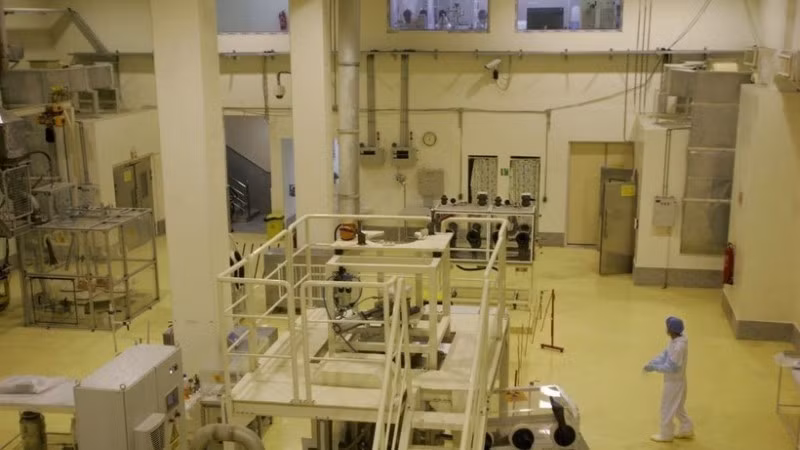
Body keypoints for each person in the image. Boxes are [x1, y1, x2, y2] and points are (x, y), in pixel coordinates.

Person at [643, 316, 694, 442]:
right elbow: (665, 354)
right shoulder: (676, 340)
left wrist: (655, 367)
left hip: (674, 382)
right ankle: (686, 428)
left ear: (671, 330)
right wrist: (654, 361)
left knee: (667, 407)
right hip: (677, 381)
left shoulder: (679, 347)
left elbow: (672, 367)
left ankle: (666, 434)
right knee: (677, 406)